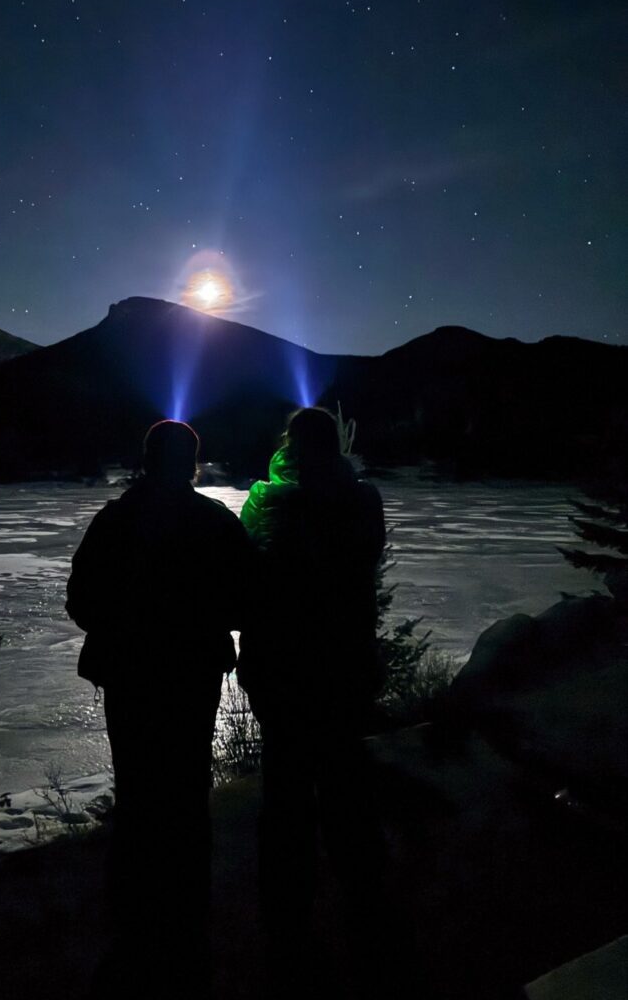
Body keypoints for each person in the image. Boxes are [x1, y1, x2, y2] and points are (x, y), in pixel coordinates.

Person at [66, 419, 253, 998]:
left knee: (137, 788)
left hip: (130, 674)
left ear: (147, 460)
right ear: (191, 463)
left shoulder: (114, 519)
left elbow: (81, 600)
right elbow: (247, 597)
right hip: (192, 674)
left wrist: (125, 626)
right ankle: (187, 916)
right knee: (187, 789)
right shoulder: (215, 521)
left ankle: (134, 919)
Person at [237, 406, 386, 978]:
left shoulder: (267, 502)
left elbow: (246, 578)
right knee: (347, 780)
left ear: (290, 444)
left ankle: (286, 920)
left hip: (282, 668)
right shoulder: (361, 499)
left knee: (286, 791)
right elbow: (364, 565)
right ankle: (364, 907)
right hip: (342, 663)